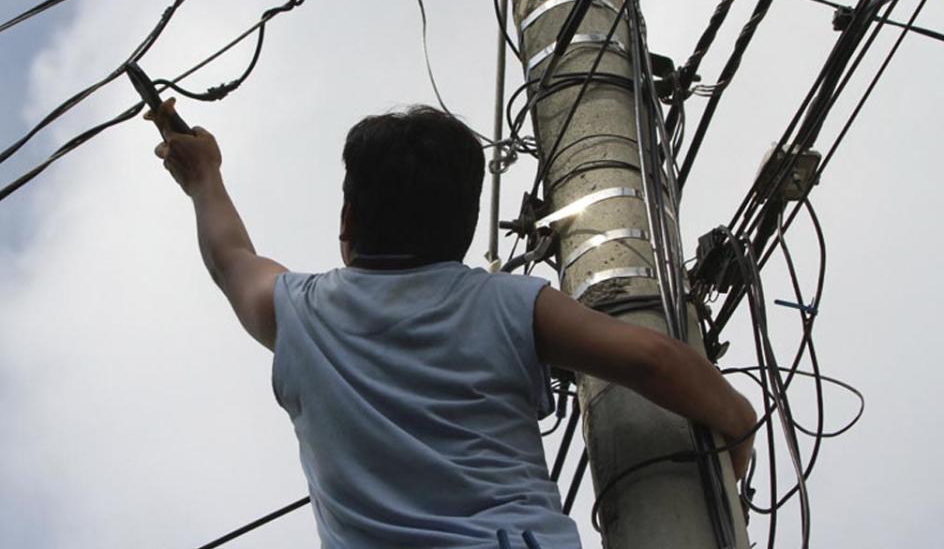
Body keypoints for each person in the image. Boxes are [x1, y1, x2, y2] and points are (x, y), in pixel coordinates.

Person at [153, 104, 755, 548]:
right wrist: (738, 423)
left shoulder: (300, 312)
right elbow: (654, 360)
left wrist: (204, 176)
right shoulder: (509, 304)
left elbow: (230, 258)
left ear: (348, 219)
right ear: (465, 227)